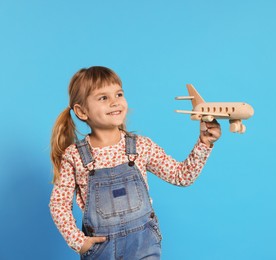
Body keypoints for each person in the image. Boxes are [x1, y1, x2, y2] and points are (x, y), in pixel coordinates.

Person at [49, 66, 221, 259]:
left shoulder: (141, 146)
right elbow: (58, 203)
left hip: (143, 246)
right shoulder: (75, 156)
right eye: (103, 98)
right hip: (101, 251)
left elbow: (181, 176)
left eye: (119, 94)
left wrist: (204, 143)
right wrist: (78, 241)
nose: (115, 102)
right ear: (81, 111)